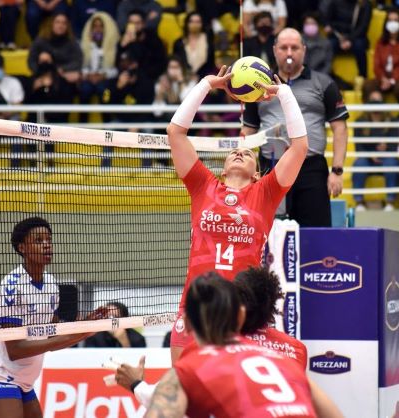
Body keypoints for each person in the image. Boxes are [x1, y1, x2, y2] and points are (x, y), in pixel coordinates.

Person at [167, 63, 308, 362]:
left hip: (243, 312)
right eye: (234, 151)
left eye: (249, 154)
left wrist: (283, 92)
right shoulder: (203, 185)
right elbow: (175, 132)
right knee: (184, 396)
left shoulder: (265, 193)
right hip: (195, 308)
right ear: (222, 168)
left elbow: (299, 147)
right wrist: (207, 84)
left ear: (258, 174)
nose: (240, 151)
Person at [144, 274, 343, 418]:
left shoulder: (190, 368)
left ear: (185, 324)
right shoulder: (283, 361)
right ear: (240, 316)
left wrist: (137, 385)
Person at [112, 265, 308, 406]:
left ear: (236, 311)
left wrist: (136, 383)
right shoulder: (296, 350)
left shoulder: (214, 350)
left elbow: (170, 401)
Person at [0, 217, 105, 418]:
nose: (47, 245)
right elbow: (15, 350)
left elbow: (53, 333)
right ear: (22, 248)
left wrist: (83, 326)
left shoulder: (52, 285)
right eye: (38, 240)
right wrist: (74, 335)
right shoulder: (12, 287)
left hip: (25, 382)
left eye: (49, 240)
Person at [243, 28, 349, 227]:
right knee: (267, 231)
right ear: (275, 50)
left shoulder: (324, 83)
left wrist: (337, 171)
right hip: (270, 167)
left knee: (315, 232)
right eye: (284, 48)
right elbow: (247, 130)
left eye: (295, 48)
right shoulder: (258, 86)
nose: (289, 53)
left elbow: (340, 129)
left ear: (304, 50)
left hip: (310, 169)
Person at [352, 89, 399, 211]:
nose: (376, 103)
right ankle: (359, 203)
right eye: (373, 100)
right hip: (368, 158)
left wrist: (387, 147)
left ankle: (390, 202)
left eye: (378, 100)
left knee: (392, 162)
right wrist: (371, 154)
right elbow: (359, 147)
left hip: (387, 156)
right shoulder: (360, 122)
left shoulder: (392, 121)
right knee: (359, 163)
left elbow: (395, 146)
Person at [363, 8, 399, 103]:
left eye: (396, 20)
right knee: (368, 86)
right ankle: (372, 115)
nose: (393, 23)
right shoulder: (380, 42)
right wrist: (383, 79)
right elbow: (376, 65)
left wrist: (392, 81)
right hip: (383, 79)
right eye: (390, 20)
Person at [27, 13, 82, 93]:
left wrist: (60, 70)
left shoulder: (72, 42)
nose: (61, 25)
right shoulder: (40, 40)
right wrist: (42, 73)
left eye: (64, 23)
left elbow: (77, 61)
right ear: (51, 24)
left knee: (72, 80)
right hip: (43, 74)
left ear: (67, 26)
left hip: (64, 75)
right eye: (57, 22)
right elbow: (31, 61)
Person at [319, 0, 371, 79]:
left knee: (359, 46)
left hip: (356, 37)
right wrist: (327, 26)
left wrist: (349, 39)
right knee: (329, 45)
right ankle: (325, 75)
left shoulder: (364, 4)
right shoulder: (334, 2)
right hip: (337, 36)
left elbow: (363, 27)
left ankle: (362, 77)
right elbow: (327, 20)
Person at [79, 12, 119, 107]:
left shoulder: (114, 46)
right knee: (85, 90)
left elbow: (117, 69)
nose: (98, 29)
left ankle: (107, 118)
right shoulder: (83, 45)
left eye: (101, 26)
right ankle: (82, 119)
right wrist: (88, 75)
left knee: (105, 91)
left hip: (107, 79)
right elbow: (79, 66)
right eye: (95, 26)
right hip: (88, 78)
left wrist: (104, 75)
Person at [117, 9, 167, 82]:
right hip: (126, 77)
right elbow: (118, 63)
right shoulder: (123, 38)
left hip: (148, 77)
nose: (134, 26)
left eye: (137, 23)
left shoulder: (153, 39)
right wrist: (122, 46)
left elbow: (159, 65)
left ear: (143, 24)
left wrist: (135, 43)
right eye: (131, 23)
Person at [172, 12, 216, 79]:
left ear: (202, 24)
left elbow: (211, 65)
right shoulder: (178, 43)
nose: (194, 24)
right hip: (183, 79)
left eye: (198, 22)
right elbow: (176, 63)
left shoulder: (208, 41)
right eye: (191, 21)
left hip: (204, 79)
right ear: (187, 24)